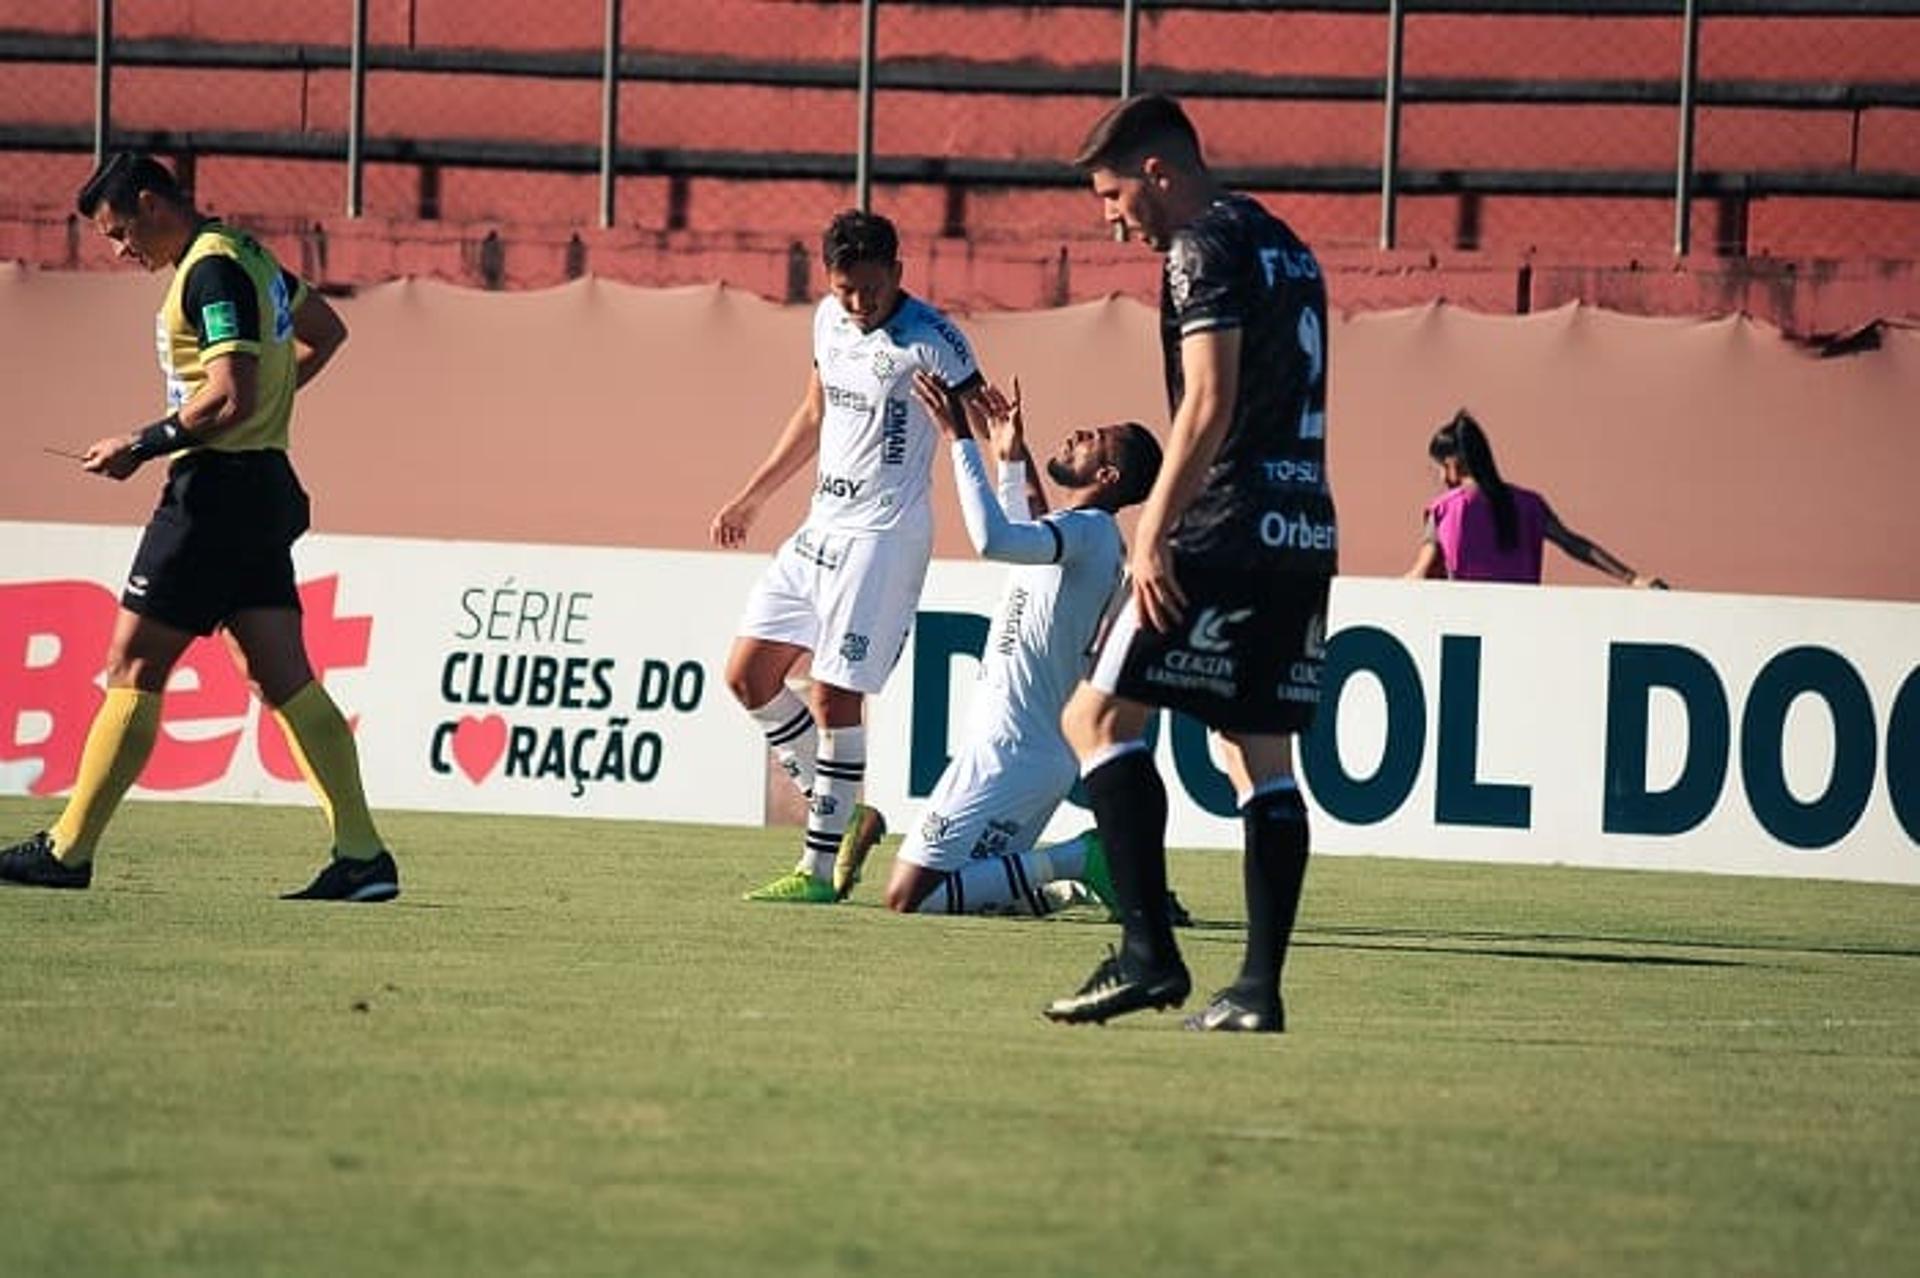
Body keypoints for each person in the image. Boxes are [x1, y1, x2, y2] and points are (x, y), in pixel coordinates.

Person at [0, 152, 399, 901]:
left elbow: (227, 398)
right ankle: (363, 856)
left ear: (152, 203)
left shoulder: (209, 270)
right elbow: (324, 330)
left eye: (122, 233)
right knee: (279, 674)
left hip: (214, 494)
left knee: (132, 664)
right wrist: (269, 395)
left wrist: (138, 444)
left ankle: (67, 850)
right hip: (263, 487)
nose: (123, 252)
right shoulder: (246, 252)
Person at [1041, 94, 1335, 1034]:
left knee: (1094, 717)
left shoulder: (1197, 247)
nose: (1111, 214)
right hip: (1302, 532)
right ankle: (1256, 990)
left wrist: (1156, 527)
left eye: (1113, 193)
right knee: (1260, 757)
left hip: (1220, 528)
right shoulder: (1287, 243)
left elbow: (1207, 400)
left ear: (1159, 171)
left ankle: (1146, 953)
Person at [712, 210, 989, 904]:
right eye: (844, 289)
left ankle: (816, 871)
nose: (858, 304)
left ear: (898, 272)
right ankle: (850, 814)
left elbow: (987, 423)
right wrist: (751, 498)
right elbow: (814, 411)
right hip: (820, 526)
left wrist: (970, 434)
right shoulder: (828, 323)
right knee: (748, 676)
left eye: (869, 288)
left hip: (883, 537)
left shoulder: (934, 341)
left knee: (836, 694)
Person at [837, 370, 1164, 918]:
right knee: (976, 893)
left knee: (907, 896)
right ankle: (1066, 884)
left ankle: (1080, 859)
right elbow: (1026, 525)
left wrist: (958, 438)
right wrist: (1010, 455)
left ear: (1106, 475)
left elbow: (994, 539)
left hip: (1009, 754)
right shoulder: (1086, 533)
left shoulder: (1090, 530)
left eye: (1094, 438)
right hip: (1027, 753)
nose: (1080, 432)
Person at [1405, 410, 1668, 588]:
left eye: (1439, 466)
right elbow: (1575, 544)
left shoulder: (1443, 510)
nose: (1440, 477)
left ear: (1451, 463)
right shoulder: (1530, 505)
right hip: (1522, 626)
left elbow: (1419, 575)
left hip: (1467, 628)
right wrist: (1633, 578)